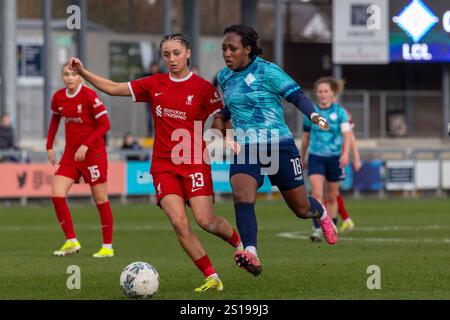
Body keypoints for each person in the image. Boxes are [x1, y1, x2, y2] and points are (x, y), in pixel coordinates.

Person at [68, 33, 243, 292]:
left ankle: (240, 246)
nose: (171, 59)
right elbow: (114, 88)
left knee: (206, 221)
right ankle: (212, 276)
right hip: (163, 165)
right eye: (166, 54)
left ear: (188, 53)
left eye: (176, 53)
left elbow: (222, 116)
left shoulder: (204, 89)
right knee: (178, 222)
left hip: (194, 161)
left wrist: (226, 136)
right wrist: (84, 72)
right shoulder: (154, 84)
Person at [212, 24, 337, 277]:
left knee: (301, 209)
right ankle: (251, 252)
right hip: (246, 147)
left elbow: (296, 96)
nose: (226, 53)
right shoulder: (224, 77)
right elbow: (229, 110)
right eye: (224, 48)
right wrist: (220, 129)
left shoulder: (268, 71)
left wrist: (313, 114)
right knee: (241, 195)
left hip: (279, 145)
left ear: (247, 49)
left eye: (232, 48)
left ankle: (321, 212)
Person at [46, 63, 115, 258]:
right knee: (57, 193)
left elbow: (105, 125)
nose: (69, 78)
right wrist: (49, 145)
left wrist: (86, 145)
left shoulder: (89, 95)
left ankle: (107, 247)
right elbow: (54, 121)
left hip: (93, 154)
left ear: (79, 77)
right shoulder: (58, 97)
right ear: (62, 77)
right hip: (71, 155)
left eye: (73, 74)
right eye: (66, 74)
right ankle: (71, 240)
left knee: (100, 199)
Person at [300, 77, 352, 242]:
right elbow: (306, 137)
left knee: (332, 195)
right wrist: (302, 155)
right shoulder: (311, 113)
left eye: (326, 91)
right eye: (320, 91)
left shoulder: (340, 112)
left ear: (332, 93)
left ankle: (332, 226)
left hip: (334, 158)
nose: (322, 94)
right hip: (316, 157)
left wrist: (345, 154)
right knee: (316, 194)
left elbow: (347, 136)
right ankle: (316, 229)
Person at [141, 62, 161, 137]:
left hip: (159, 100)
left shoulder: (161, 75)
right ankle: (149, 133)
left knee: (159, 116)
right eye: (152, 67)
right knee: (149, 117)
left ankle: (158, 132)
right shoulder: (147, 75)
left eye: (155, 67)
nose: (154, 69)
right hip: (150, 100)